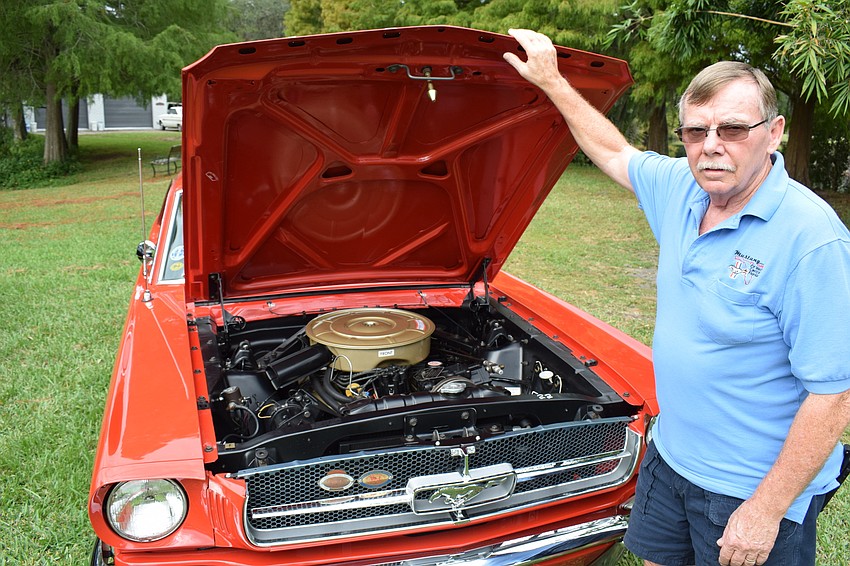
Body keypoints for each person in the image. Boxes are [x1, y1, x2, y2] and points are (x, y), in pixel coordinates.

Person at [503, 29, 850, 566]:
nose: (711, 145)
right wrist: (552, 81)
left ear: (774, 132)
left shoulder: (812, 240)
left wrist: (765, 511)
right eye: (695, 130)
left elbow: (834, 395)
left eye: (733, 129)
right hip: (671, 456)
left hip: (748, 487)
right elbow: (613, 149)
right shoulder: (682, 189)